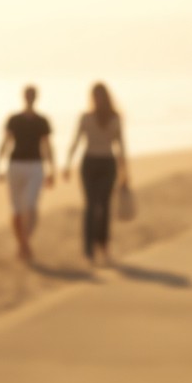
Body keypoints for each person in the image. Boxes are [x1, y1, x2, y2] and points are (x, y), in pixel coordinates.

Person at [63, 82, 128, 266]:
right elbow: (75, 141)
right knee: (91, 206)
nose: (96, 100)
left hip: (108, 163)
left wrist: (125, 171)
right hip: (89, 163)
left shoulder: (115, 118)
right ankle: (88, 250)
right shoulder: (85, 117)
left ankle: (103, 246)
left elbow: (121, 146)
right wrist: (67, 164)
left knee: (105, 206)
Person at [0, 85, 56, 262]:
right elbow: (5, 143)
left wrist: (52, 170)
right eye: (28, 95)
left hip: (36, 165)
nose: (30, 98)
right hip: (15, 165)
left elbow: (47, 146)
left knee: (30, 206)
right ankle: (23, 245)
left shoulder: (42, 121)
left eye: (32, 95)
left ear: (36, 97)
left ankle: (24, 243)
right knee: (16, 209)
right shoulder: (14, 119)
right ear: (24, 97)